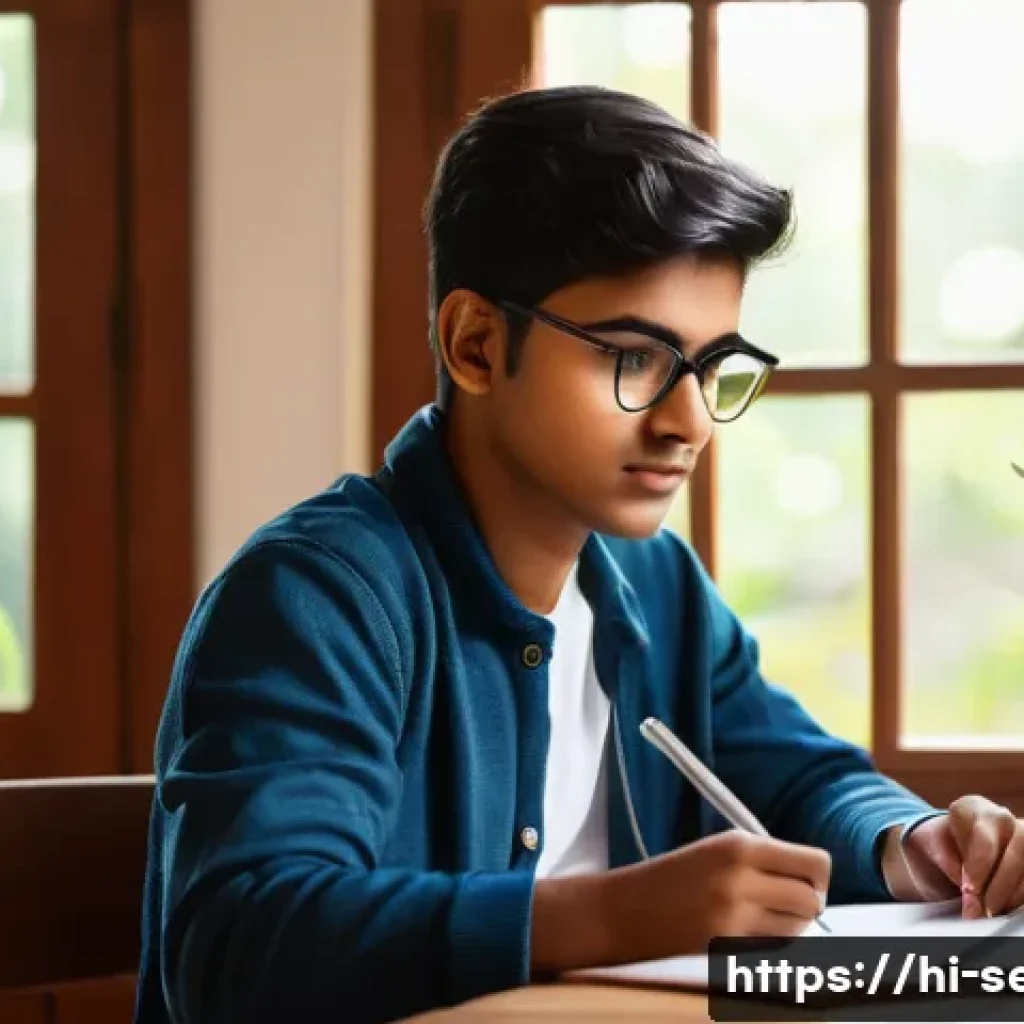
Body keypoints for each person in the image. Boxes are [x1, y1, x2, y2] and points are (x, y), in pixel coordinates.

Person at [133, 86, 1024, 1024]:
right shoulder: (318, 596)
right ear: (475, 345)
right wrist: (609, 916)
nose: (688, 423)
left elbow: (804, 779)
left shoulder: (654, 584)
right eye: (635, 358)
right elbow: (239, 946)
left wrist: (909, 839)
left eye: (711, 368)